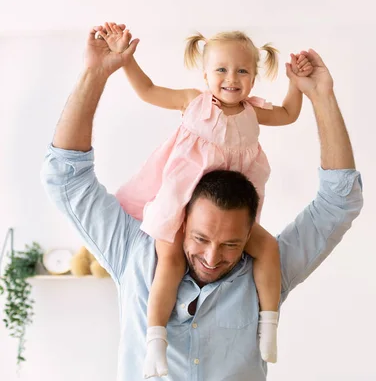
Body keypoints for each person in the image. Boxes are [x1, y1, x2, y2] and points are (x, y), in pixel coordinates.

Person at [41, 23, 363, 381]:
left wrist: (320, 96)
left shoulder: (266, 269)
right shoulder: (137, 253)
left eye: (232, 244)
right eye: (199, 238)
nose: (212, 257)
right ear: (181, 218)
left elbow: (338, 201)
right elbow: (67, 178)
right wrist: (96, 74)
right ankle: (155, 339)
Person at [96, 22, 313, 376]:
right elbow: (148, 90)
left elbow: (289, 114)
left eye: (243, 70)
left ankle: (268, 327)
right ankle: (154, 341)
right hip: (182, 204)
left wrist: (296, 84)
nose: (232, 78)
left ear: (254, 78)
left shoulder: (252, 112)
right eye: (222, 69)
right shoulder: (193, 103)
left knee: (268, 248)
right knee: (169, 260)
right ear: (206, 73)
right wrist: (125, 61)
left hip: (226, 214)